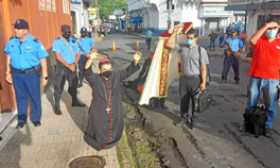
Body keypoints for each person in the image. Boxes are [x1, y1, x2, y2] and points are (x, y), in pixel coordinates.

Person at [83, 52, 141, 150]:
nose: (107, 71)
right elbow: (87, 72)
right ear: (100, 70)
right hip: (99, 108)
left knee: (115, 123)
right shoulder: (95, 79)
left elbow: (128, 71)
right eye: (104, 69)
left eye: (109, 69)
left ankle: (112, 140)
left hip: (114, 106)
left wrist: (135, 60)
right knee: (99, 125)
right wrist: (90, 59)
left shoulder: (116, 76)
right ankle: (100, 142)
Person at [4, 19, 48, 128]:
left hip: (31, 74)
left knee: (34, 97)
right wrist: (7, 72)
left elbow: (43, 58)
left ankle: (36, 118)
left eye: (19, 29)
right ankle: (22, 119)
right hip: (17, 74)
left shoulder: (35, 42)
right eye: (15, 28)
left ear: (26, 30)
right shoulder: (11, 42)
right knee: (20, 97)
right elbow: (8, 56)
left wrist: (45, 75)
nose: (16, 30)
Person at [167, 26, 209, 126]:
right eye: (188, 38)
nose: (189, 40)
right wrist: (174, 33)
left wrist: (203, 82)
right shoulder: (183, 48)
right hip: (184, 79)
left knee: (195, 102)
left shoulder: (201, 51)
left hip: (195, 79)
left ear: (196, 38)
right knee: (183, 100)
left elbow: (203, 68)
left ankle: (193, 120)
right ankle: (183, 117)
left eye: (191, 38)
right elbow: (169, 44)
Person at [246, 21, 280, 136]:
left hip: (273, 79)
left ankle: (267, 125)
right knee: (251, 101)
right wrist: (265, 26)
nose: (271, 31)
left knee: (270, 104)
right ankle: (249, 123)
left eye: (273, 28)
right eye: (269, 29)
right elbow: (252, 41)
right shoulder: (260, 41)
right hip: (256, 77)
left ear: (277, 29)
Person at [52, 24, 85, 115]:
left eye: (69, 31)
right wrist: (68, 65)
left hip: (72, 66)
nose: (67, 33)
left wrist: (74, 64)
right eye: (65, 31)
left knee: (73, 86)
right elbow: (57, 56)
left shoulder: (73, 40)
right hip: (62, 67)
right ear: (62, 32)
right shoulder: (57, 41)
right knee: (59, 87)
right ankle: (57, 106)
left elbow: (78, 54)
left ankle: (75, 101)